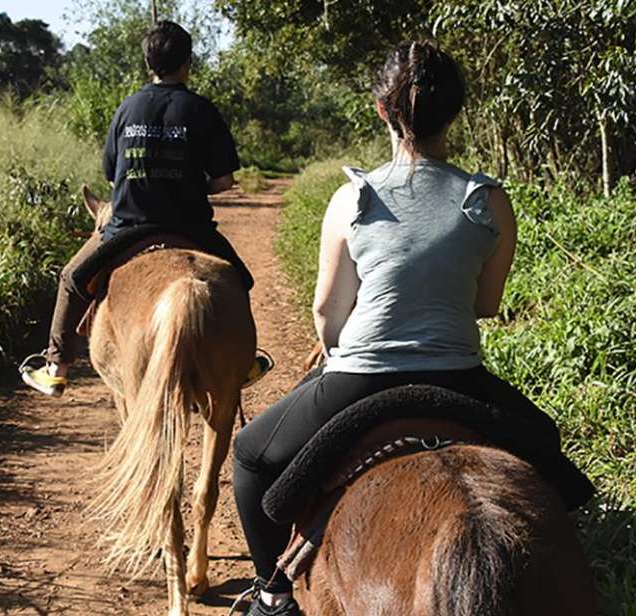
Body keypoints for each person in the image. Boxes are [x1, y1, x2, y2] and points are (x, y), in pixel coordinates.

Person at [230, 41, 592, 615]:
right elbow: (486, 303)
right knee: (544, 442)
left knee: (250, 457)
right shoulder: (488, 200)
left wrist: (336, 349)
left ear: (381, 111)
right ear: (456, 111)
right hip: (459, 376)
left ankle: (272, 594)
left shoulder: (354, 197)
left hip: (360, 378)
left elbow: (327, 312)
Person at [20, 20, 271, 396]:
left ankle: (56, 366)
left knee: (71, 278)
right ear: (187, 62)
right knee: (239, 278)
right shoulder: (201, 110)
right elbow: (223, 183)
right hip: (190, 228)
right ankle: (244, 362)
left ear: (148, 62)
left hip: (126, 227)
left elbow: (111, 176)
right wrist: (184, 184)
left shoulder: (127, 108)